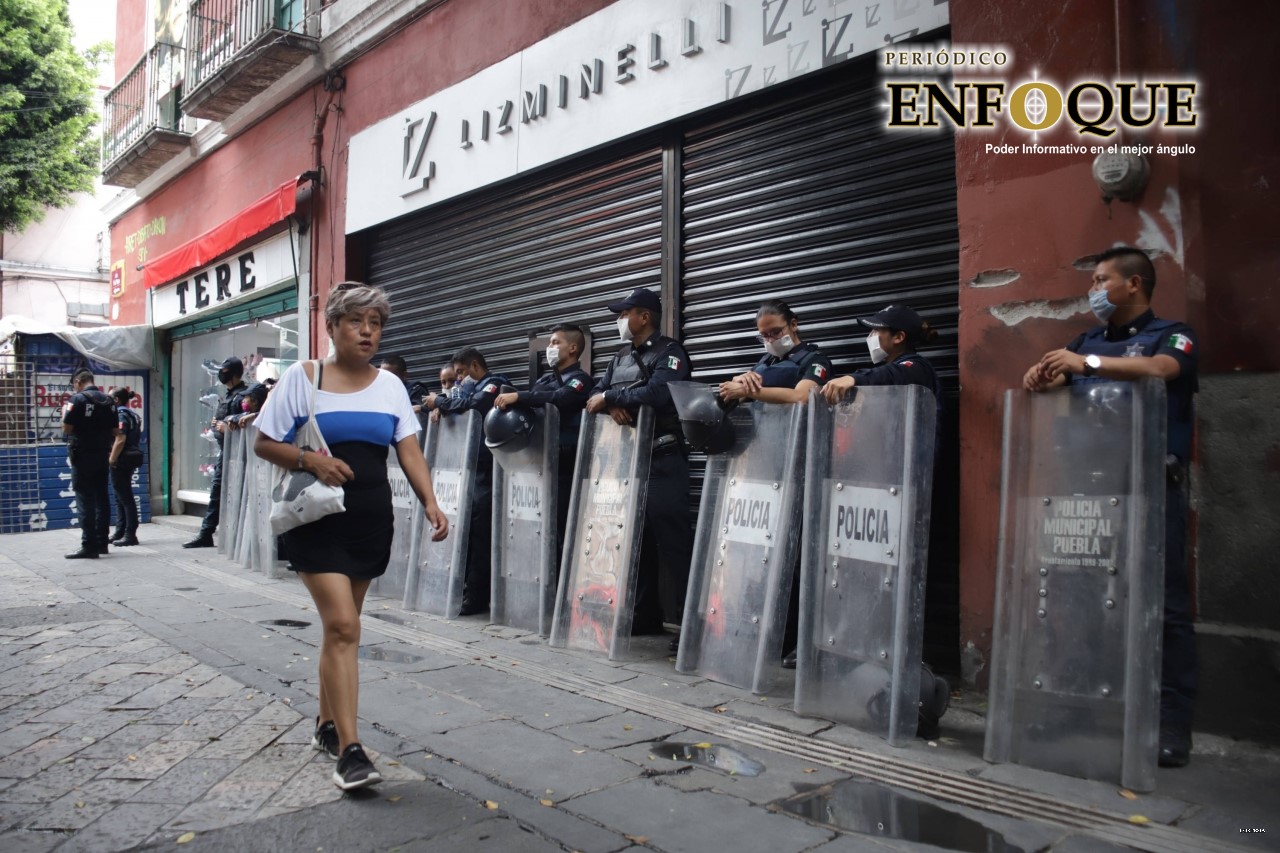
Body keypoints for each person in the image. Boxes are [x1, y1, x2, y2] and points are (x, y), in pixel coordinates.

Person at [254, 281, 449, 790]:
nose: (367, 332)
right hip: (317, 521)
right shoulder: (304, 377)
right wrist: (311, 459)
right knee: (343, 626)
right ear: (333, 327)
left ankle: (324, 724)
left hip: (369, 521)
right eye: (357, 322)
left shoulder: (390, 386)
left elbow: (408, 450)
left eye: (376, 324)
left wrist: (430, 501)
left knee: (342, 628)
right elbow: (263, 442)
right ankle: (351, 750)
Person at [1023, 245, 1199, 768]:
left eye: (1101, 280)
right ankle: (1074, 707)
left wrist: (1089, 364)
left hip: (1148, 488)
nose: (1093, 289)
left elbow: (1165, 369)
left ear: (1134, 284)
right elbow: (1056, 378)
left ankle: (1170, 725)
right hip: (1088, 492)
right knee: (1076, 599)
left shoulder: (1171, 333)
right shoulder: (1085, 339)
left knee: (1163, 607)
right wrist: (1043, 376)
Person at [821, 304, 950, 739]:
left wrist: (854, 378)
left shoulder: (914, 368)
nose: (871, 337)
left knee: (895, 591)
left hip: (903, 502)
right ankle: (867, 674)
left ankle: (906, 686)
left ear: (898, 337)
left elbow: (895, 378)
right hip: (872, 501)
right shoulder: (885, 369)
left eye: (878, 331)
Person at [718, 300, 833, 669]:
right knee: (765, 554)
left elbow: (804, 395)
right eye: (764, 334)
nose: (770, 339)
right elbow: (731, 390)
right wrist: (739, 381)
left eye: (776, 332)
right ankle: (768, 631)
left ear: (793, 324)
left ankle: (804, 640)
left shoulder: (814, 359)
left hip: (801, 467)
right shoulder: (763, 364)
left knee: (799, 557)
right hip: (765, 469)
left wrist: (749, 391)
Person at [586, 287, 694, 649]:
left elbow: (661, 392)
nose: (620, 320)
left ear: (644, 317)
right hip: (626, 463)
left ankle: (691, 628)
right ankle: (645, 616)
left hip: (664, 460)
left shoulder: (671, 352)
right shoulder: (619, 358)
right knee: (635, 542)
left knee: (674, 545)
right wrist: (608, 402)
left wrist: (614, 398)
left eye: (624, 313)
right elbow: (594, 397)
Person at [494, 323, 593, 570]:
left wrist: (521, 396)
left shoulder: (581, 380)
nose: (549, 347)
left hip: (566, 465)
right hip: (539, 462)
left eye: (555, 343)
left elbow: (561, 399)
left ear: (572, 348)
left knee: (563, 529)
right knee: (539, 527)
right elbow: (540, 398)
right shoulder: (546, 379)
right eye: (549, 343)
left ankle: (560, 590)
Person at [422, 347, 511, 614]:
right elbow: (454, 402)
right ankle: (464, 590)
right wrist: (441, 406)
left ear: (474, 366)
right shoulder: (466, 389)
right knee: (468, 533)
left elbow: (473, 406)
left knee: (482, 533)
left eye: (460, 373)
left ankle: (477, 597)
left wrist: (440, 403)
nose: (458, 380)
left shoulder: (494, 385)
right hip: (468, 469)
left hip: (489, 470)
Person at [184, 356, 250, 548]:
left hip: (240, 455)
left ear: (234, 373)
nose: (221, 374)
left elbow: (250, 424)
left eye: (224, 371)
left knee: (239, 495)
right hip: (226, 452)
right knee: (217, 493)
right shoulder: (229, 395)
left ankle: (237, 535)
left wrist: (227, 427)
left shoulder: (244, 396)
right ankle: (207, 533)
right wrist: (217, 425)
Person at [62, 369, 118, 559]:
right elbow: (114, 430)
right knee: (102, 496)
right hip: (102, 453)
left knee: (85, 498)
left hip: (82, 453)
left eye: (74, 385)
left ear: (78, 381)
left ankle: (89, 545)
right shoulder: (109, 400)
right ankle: (103, 542)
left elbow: (67, 428)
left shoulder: (76, 400)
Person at [108, 387, 144, 547]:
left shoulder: (120, 414)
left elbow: (120, 439)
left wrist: (111, 459)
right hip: (131, 457)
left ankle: (130, 534)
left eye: (110, 399)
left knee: (124, 497)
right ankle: (120, 531)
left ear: (116, 400)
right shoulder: (132, 414)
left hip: (122, 458)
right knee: (120, 496)